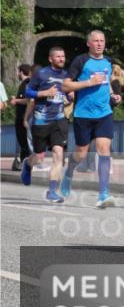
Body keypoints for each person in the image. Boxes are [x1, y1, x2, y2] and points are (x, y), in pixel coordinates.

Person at [61, 31, 121, 207]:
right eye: (95, 41)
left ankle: (103, 194)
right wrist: (88, 82)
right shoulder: (80, 61)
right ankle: (69, 173)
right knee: (81, 153)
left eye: (102, 41)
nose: (99, 43)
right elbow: (65, 85)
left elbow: (107, 82)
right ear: (88, 43)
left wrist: (113, 95)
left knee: (104, 149)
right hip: (83, 114)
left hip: (104, 113)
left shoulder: (108, 61)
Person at [21, 48, 71, 202]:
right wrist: (43, 93)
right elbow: (27, 92)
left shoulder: (66, 75)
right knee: (39, 156)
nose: (62, 59)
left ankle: (52, 191)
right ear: (50, 58)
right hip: (41, 121)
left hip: (59, 120)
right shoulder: (40, 74)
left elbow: (68, 93)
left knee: (58, 154)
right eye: (58, 56)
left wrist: (70, 96)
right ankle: (28, 164)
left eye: (63, 56)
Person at [10, 64, 33, 172]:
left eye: (18, 71)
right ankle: (24, 164)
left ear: (21, 72)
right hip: (22, 117)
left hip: (24, 117)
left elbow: (29, 100)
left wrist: (16, 101)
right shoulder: (24, 84)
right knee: (23, 143)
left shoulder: (27, 83)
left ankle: (26, 165)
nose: (17, 74)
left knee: (24, 142)